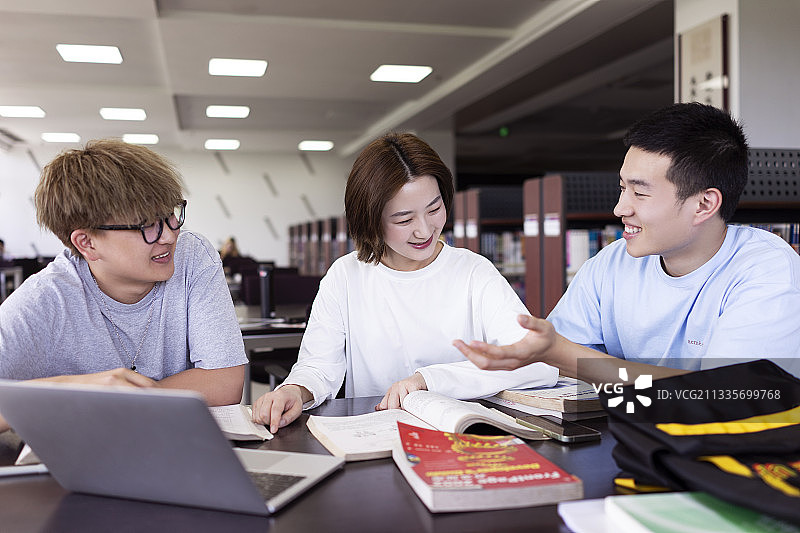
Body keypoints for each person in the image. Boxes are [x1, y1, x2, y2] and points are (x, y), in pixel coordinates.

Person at [455, 102, 800, 383]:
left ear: (704, 204)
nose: (620, 208)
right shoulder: (613, 262)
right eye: (623, 187)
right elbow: (555, 366)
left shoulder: (766, 269)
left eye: (640, 192)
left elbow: (721, 399)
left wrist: (561, 354)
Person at [253, 132, 557, 433]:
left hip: (461, 438)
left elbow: (536, 362)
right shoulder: (345, 275)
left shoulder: (473, 271)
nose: (424, 231)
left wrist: (427, 380)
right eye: (403, 219)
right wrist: (294, 390)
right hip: (373, 439)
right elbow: (319, 366)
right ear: (371, 219)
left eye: (434, 209)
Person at [0, 139, 247, 433]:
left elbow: (224, 382)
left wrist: (120, 401)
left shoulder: (192, 256)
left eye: (170, 215)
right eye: (147, 225)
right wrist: (72, 389)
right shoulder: (46, 300)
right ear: (87, 243)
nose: (169, 236)